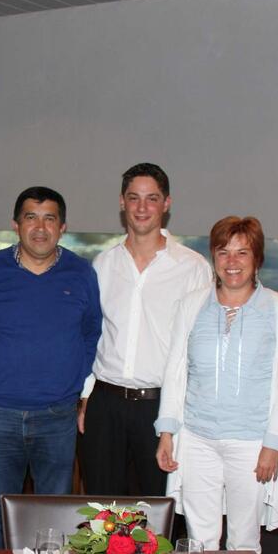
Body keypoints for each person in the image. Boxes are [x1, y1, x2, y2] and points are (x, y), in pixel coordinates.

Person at [0, 187, 102, 549]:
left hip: (57, 417)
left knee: (54, 519)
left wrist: (74, 379)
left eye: (49, 218)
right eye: (30, 217)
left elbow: (92, 332)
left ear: (62, 226)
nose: (40, 227)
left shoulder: (81, 274)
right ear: (15, 224)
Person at [154, 216, 278, 552]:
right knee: (200, 539)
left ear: (257, 258)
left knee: (244, 541)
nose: (232, 262)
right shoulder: (192, 305)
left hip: (251, 445)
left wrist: (273, 445)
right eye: (223, 252)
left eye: (242, 253)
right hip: (197, 440)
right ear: (213, 258)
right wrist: (167, 433)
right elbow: (175, 371)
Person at [80, 163, 212, 496]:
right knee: (99, 513)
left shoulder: (193, 268)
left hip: (161, 409)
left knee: (158, 514)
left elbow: (201, 348)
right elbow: (92, 336)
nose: (142, 208)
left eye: (151, 199)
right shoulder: (103, 264)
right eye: (134, 198)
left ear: (166, 204)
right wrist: (84, 398)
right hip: (104, 404)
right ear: (122, 202)